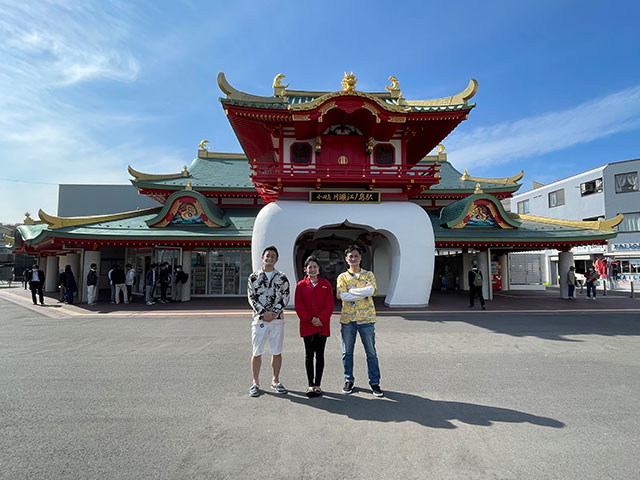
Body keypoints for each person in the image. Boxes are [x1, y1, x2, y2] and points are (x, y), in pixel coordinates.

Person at [336, 244, 383, 397]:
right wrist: (363, 292)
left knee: (371, 352)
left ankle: (374, 383)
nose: (353, 258)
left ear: (360, 257)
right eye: (351, 256)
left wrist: (352, 292)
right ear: (346, 259)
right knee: (347, 352)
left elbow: (372, 291)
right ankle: (348, 380)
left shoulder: (369, 275)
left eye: (356, 256)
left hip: (366, 319)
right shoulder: (342, 277)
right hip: (348, 319)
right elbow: (343, 296)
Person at [247, 246, 290, 397]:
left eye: (273, 256)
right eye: (267, 256)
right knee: (257, 351)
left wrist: (274, 312)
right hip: (260, 320)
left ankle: (275, 380)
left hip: (277, 319)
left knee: (276, 351)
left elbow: (286, 297)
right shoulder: (254, 277)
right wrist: (263, 313)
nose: (270, 258)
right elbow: (251, 298)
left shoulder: (282, 277)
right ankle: (255, 383)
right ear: (262, 257)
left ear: (277, 259)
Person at [295, 255, 334, 397]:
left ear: (319, 269)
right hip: (307, 325)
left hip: (322, 326)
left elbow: (329, 305)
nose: (312, 269)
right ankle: (310, 384)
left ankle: (318, 384)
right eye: (309, 267)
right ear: (305, 269)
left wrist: (321, 319)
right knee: (308, 355)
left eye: (315, 266)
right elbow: (299, 306)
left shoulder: (326, 285)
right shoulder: (300, 285)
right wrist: (310, 319)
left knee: (320, 355)